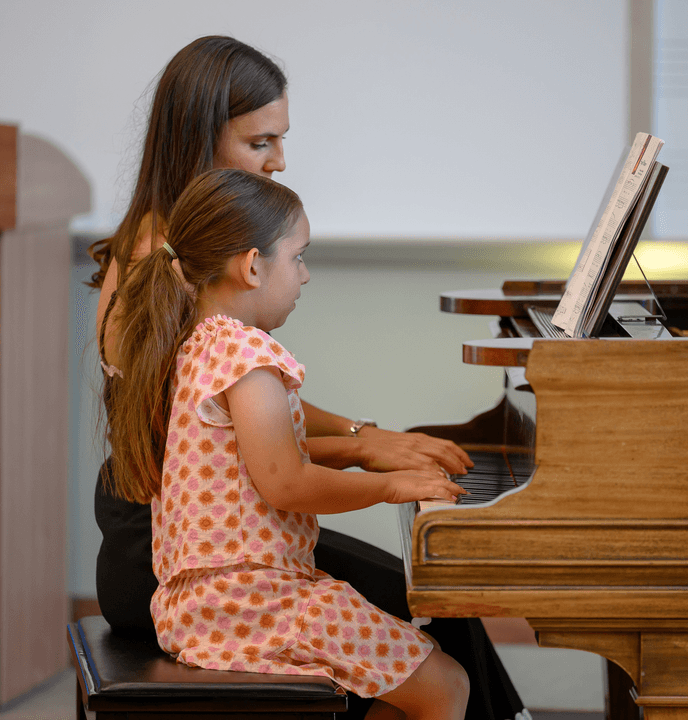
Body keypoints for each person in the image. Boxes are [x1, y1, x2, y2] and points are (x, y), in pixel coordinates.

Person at [89, 36, 527, 719]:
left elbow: (245, 429)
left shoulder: (205, 304)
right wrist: (365, 450)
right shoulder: (164, 262)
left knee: (434, 608)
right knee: (426, 616)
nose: (279, 160)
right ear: (201, 137)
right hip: (176, 552)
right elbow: (268, 458)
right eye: (260, 142)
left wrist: (363, 441)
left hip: (213, 551)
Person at [107, 167, 470, 718]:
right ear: (253, 266)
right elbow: (285, 482)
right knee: (445, 684)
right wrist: (390, 486)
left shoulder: (193, 347)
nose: (305, 275)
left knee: (423, 672)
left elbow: (252, 460)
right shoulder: (246, 357)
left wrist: (362, 453)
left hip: (205, 604)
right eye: (298, 257)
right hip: (252, 601)